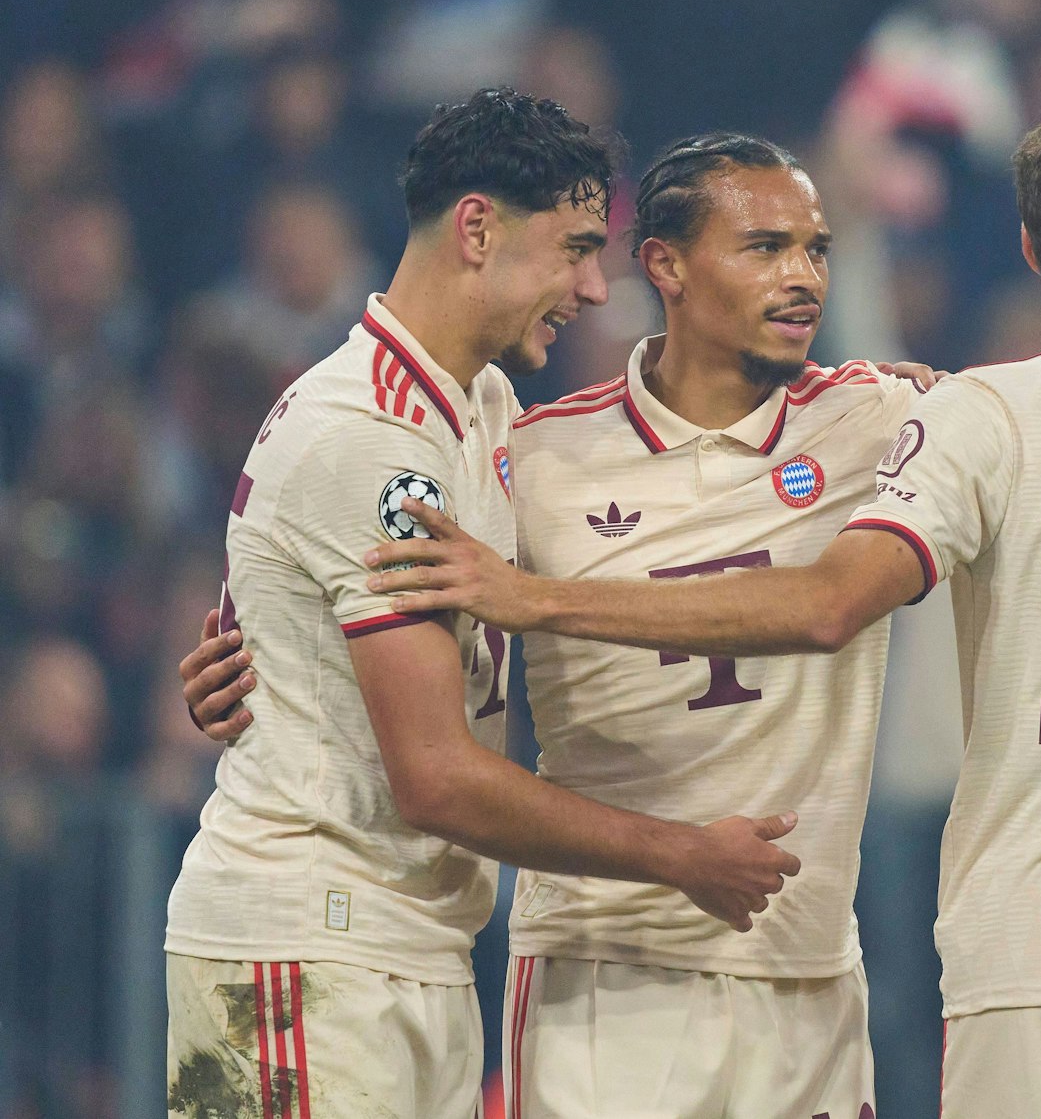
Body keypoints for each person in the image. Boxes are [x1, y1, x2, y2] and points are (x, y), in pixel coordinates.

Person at [361, 82, 1041, 1117]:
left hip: (815, 970)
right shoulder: (530, 454)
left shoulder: (892, 418)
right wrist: (258, 660)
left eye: (818, 249)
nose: (803, 278)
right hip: (610, 961)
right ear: (666, 266)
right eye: (766, 247)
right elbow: (415, 633)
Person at [162, 90, 801, 1119]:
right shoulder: (368, 433)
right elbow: (438, 781)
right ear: (476, 229)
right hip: (306, 948)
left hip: (401, 946)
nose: (595, 289)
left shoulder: (477, 402)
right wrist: (677, 855)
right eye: (575, 249)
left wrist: (862, 403)